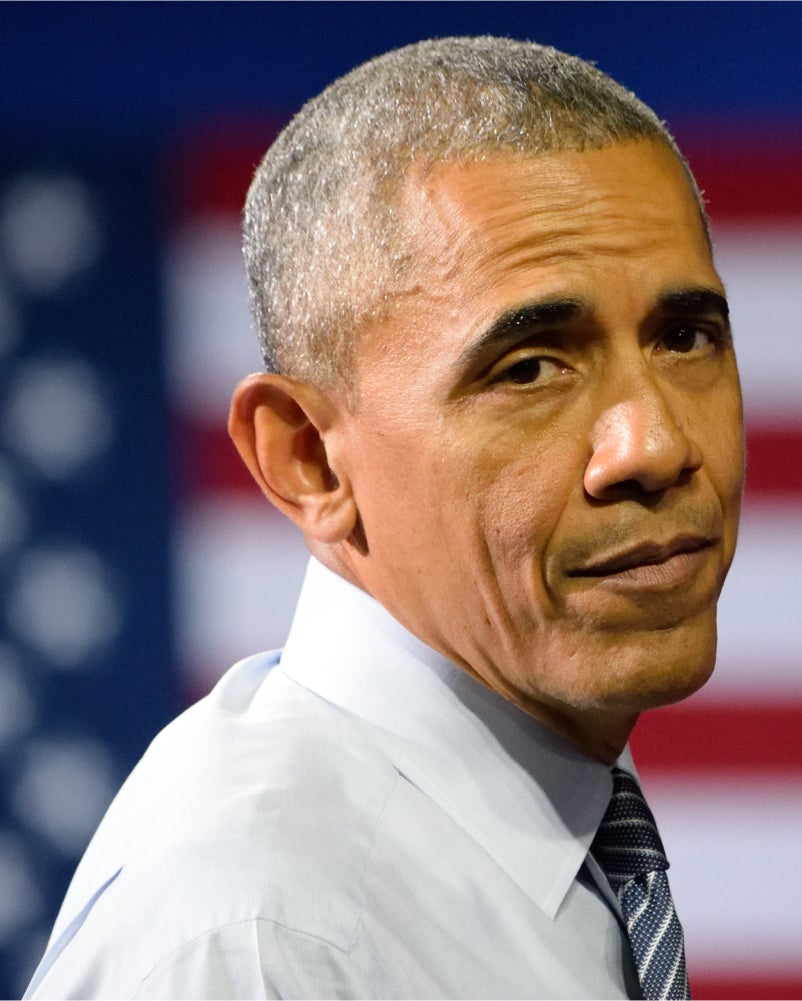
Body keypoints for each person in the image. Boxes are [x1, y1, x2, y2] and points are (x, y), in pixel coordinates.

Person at [27, 36, 740, 999]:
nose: (653, 443)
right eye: (529, 367)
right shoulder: (261, 937)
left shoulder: (540, 818)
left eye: (686, 336)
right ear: (309, 459)